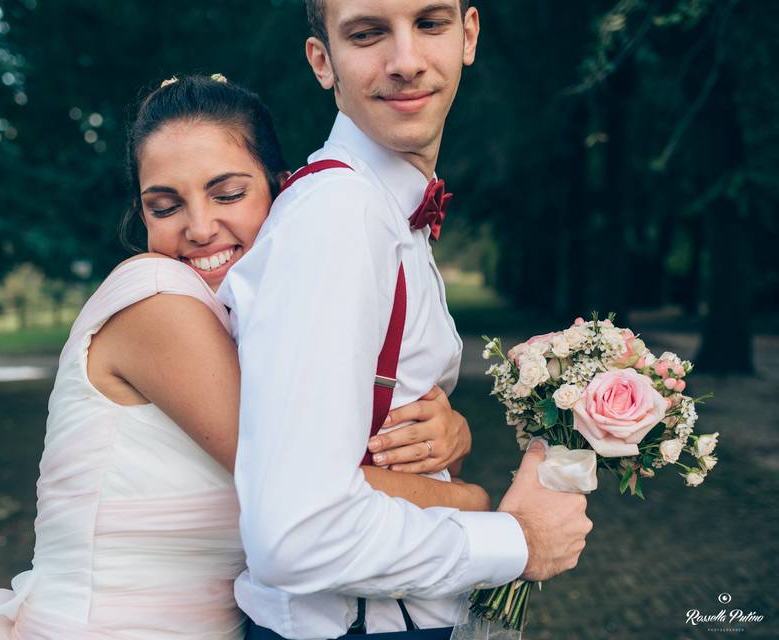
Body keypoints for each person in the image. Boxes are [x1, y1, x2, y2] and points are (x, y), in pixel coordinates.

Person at [0, 75, 493, 640]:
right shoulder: (157, 302)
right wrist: (476, 500)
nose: (198, 228)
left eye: (227, 194)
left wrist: (447, 436)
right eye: (165, 206)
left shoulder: (262, 326)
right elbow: (315, 486)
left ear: (282, 191)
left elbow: (372, 456)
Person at [217, 1, 594, 638]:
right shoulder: (337, 215)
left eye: (430, 23)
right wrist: (515, 540)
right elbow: (296, 536)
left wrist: (454, 435)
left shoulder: (386, 209)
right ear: (322, 61)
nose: (406, 62)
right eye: (366, 34)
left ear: (468, 34)